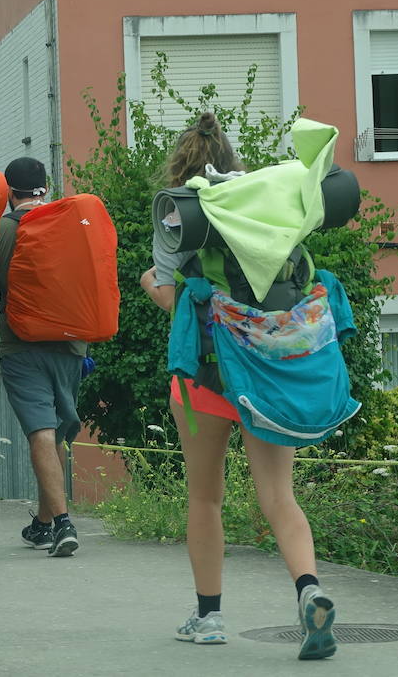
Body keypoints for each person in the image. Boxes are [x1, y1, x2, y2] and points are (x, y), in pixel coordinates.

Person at [139, 112, 338, 660]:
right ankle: (310, 591)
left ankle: (208, 619)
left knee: (205, 497)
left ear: (180, 163)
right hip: (270, 366)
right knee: (279, 496)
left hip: (205, 376)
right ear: (233, 161)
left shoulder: (183, 213)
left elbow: (172, 297)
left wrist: (151, 285)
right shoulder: (268, 206)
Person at [0, 157, 84, 558]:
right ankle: (44, 523)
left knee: (40, 430)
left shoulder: (5, 230)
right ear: (46, 187)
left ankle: (62, 523)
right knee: (56, 431)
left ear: (9, 191)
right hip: (73, 344)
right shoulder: (70, 223)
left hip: (23, 347)